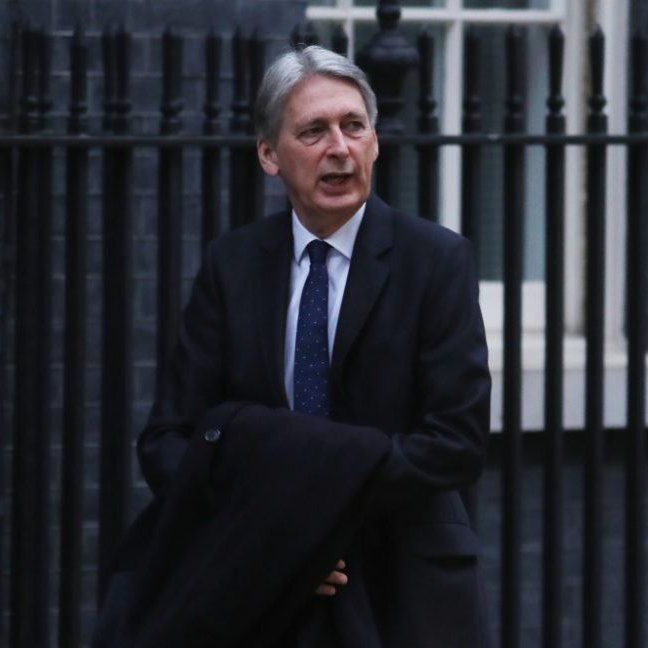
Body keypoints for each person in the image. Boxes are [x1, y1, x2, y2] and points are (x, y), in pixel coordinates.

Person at [131, 45, 492, 647]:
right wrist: (279, 535)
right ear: (270, 155)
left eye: (354, 126)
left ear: (374, 142)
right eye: (313, 131)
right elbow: (170, 440)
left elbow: (455, 443)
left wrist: (309, 518)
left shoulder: (437, 260)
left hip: (403, 588)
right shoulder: (233, 265)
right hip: (261, 588)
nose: (340, 148)